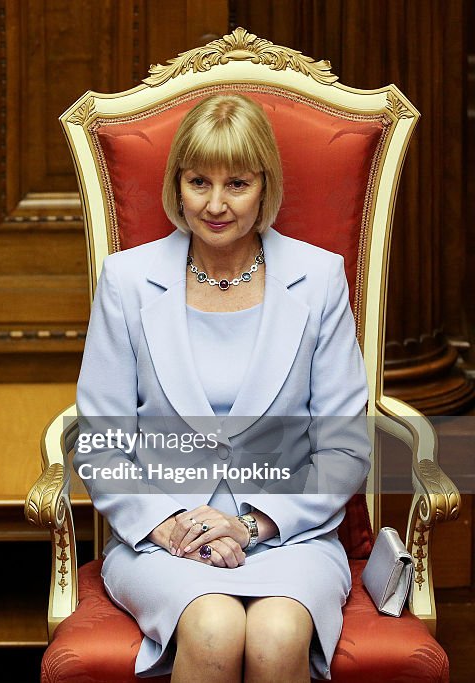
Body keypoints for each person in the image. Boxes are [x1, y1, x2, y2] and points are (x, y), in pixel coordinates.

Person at [73, 93, 370, 681]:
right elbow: (102, 444)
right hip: (161, 537)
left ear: (265, 187)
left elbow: (344, 450)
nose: (214, 204)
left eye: (237, 183)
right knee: (213, 626)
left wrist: (253, 523)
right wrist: (172, 525)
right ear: (175, 187)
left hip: (291, 536)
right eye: (197, 182)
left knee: (278, 633)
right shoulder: (128, 281)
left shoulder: (318, 279)